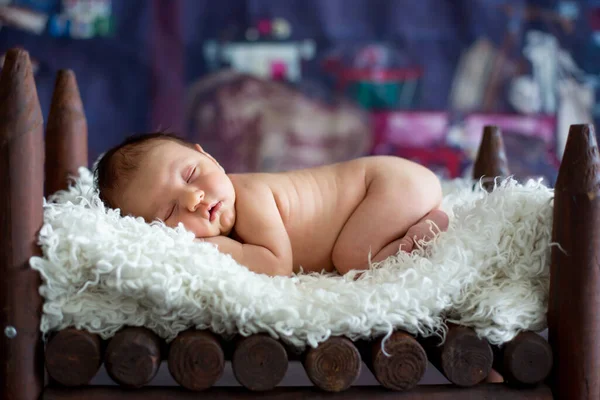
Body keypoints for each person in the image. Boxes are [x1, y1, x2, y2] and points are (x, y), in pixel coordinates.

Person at [94, 132, 449, 277]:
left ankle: (428, 227)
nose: (193, 199)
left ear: (211, 158)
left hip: (386, 184)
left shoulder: (251, 193)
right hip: (393, 189)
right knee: (351, 256)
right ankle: (420, 220)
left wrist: (210, 246)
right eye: (169, 212)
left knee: (353, 259)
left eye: (190, 174)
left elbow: (275, 265)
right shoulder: (226, 211)